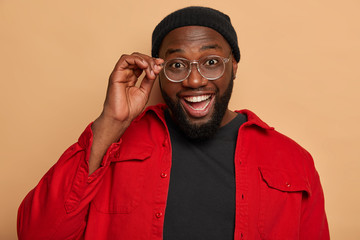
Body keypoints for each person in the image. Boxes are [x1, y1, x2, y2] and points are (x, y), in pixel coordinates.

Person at [17, 6, 329, 240]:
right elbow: (36, 233)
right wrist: (111, 121)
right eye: (177, 65)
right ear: (156, 71)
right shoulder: (115, 142)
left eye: (210, 62)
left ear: (233, 66)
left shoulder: (293, 161)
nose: (194, 80)